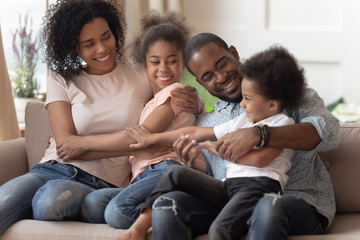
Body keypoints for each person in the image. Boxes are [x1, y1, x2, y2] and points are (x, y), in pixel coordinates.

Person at [0, 0, 200, 235]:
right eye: (89, 44)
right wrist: (130, 148)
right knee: (4, 200)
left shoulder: (141, 74)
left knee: (48, 204)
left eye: (106, 37)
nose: (102, 49)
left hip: (102, 182)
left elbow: (173, 91)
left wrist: (194, 102)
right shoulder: (61, 78)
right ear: (74, 47)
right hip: (52, 168)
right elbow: (65, 146)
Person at [120, 33, 340, 240]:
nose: (222, 77)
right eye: (208, 76)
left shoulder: (285, 94)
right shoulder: (210, 120)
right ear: (200, 82)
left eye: (222, 63)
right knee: (168, 205)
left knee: (268, 205)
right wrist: (193, 164)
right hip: (235, 203)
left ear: (233, 53)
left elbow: (327, 132)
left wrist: (259, 134)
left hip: (297, 201)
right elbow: (217, 171)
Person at [53, 10, 206, 229]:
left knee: (116, 212)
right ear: (144, 65)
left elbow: (142, 135)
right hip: (143, 175)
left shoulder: (176, 92)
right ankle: (165, 206)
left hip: (167, 168)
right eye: (156, 62)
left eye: (172, 61)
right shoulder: (150, 100)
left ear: (183, 64)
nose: (163, 68)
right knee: (92, 205)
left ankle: (171, 210)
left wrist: (82, 142)